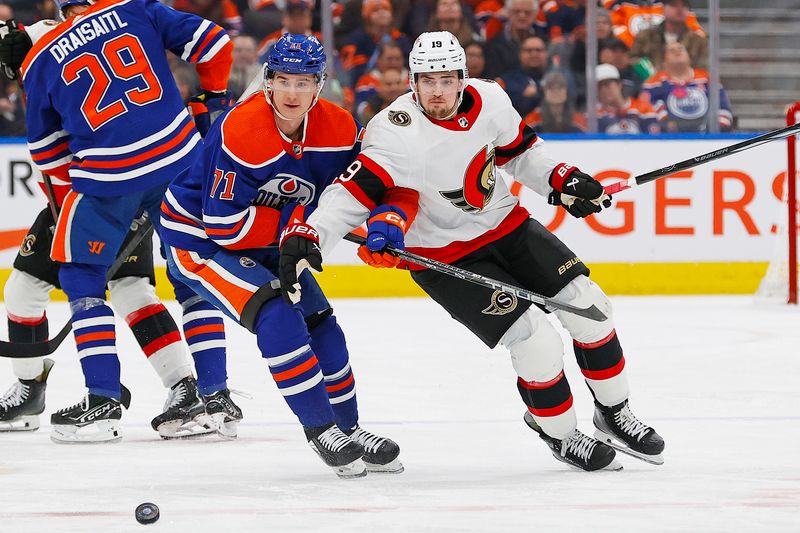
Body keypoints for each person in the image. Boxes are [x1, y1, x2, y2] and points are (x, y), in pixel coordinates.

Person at [280, 31, 665, 472]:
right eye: (428, 81)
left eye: (446, 79)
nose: (438, 91)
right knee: (535, 340)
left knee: (589, 305)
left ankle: (614, 414)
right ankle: (559, 434)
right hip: (445, 258)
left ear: (463, 78)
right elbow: (351, 195)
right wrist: (311, 236)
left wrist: (562, 179)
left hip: (508, 227)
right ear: (413, 82)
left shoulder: (491, 100)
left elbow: (520, 154)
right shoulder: (392, 131)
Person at [159, 33, 402, 479]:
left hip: (272, 240)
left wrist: (384, 223)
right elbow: (224, 226)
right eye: (283, 80)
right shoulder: (241, 130)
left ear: (320, 84)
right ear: (267, 81)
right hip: (200, 241)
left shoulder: (340, 127)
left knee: (320, 320)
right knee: (276, 314)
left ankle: (349, 426)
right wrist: (296, 226)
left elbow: (370, 182)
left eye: (304, 82)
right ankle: (321, 428)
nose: (293, 93)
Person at [20, 0, 234, 443]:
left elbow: (49, 155)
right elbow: (216, 44)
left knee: (81, 277)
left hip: (108, 182)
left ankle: (102, 402)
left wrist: (77, 212)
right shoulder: (138, 9)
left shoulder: (39, 58)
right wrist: (211, 98)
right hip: (181, 161)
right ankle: (216, 399)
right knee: (192, 273)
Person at [641, 41, 733, 133]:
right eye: (672, 51)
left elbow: (722, 107)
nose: (678, 52)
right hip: (669, 140)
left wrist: (716, 130)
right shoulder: (654, 83)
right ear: (664, 62)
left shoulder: (706, 78)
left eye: (681, 49)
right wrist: (665, 126)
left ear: (689, 57)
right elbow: (648, 111)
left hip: (705, 138)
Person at [595, 63, 662, 134]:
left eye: (607, 84)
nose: (603, 90)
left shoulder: (643, 109)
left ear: (619, 85)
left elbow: (653, 139)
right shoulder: (595, 115)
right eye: (599, 87)